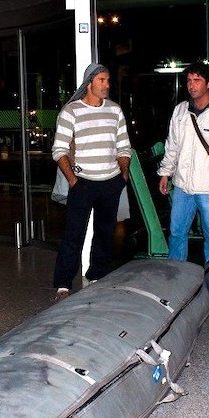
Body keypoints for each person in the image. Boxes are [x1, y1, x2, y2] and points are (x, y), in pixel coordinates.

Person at [52, 63, 132, 299]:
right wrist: (74, 181)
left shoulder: (115, 111)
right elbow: (59, 149)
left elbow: (124, 147)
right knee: (73, 234)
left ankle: (98, 275)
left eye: (108, 80)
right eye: (102, 80)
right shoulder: (71, 111)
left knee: (105, 233)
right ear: (90, 83)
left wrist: (123, 175)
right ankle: (63, 284)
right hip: (83, 183)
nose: (107, 85)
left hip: (111, 182)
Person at [158, 61, 209, 263]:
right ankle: (176, 277)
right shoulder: (180, 111)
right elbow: (172, 145)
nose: (191, 85)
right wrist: (165, 172)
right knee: (177, 234)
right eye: (189, 80)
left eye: (197, 80)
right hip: (182, 186)